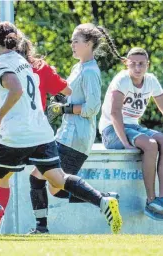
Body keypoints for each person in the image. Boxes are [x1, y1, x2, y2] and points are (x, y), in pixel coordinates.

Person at [0, 21, 122, 238]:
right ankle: (102, 200)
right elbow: (58, 89)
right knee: (57, 180)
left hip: (15, 135)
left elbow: (16, 90)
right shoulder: (30, 65)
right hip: (42, 133)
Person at [0, 35, 71, 233]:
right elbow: (66, 89)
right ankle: (40, 226)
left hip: (12, 134)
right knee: (48, 180)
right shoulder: (40, 66)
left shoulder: (3, 65)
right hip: (40, 134)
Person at [28, 23, 124, 234]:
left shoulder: (90, 71)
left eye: (76, 41)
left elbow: (92, 107)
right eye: (72, 40)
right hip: (66, 135)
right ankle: (105, 198)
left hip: (76, 137)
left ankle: (42, 229)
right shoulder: (77, 67)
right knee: (55, 188)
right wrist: (58, 98)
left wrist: (64, 109)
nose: (71, 44)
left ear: (89, 44)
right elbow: (70, 94)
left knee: (37, 177)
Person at [99, 47, 163, 220]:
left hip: (133, 127)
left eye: (141, 64)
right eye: (133, 64)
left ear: (147, 65)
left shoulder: (151, 81)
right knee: (150, 145)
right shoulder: (122, 80)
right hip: (111, 130)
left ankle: (161, 198)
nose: (137, 68)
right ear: (126, 64)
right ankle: (150, 200)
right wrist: (126, 144)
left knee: (161, 140)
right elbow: (114, 113)